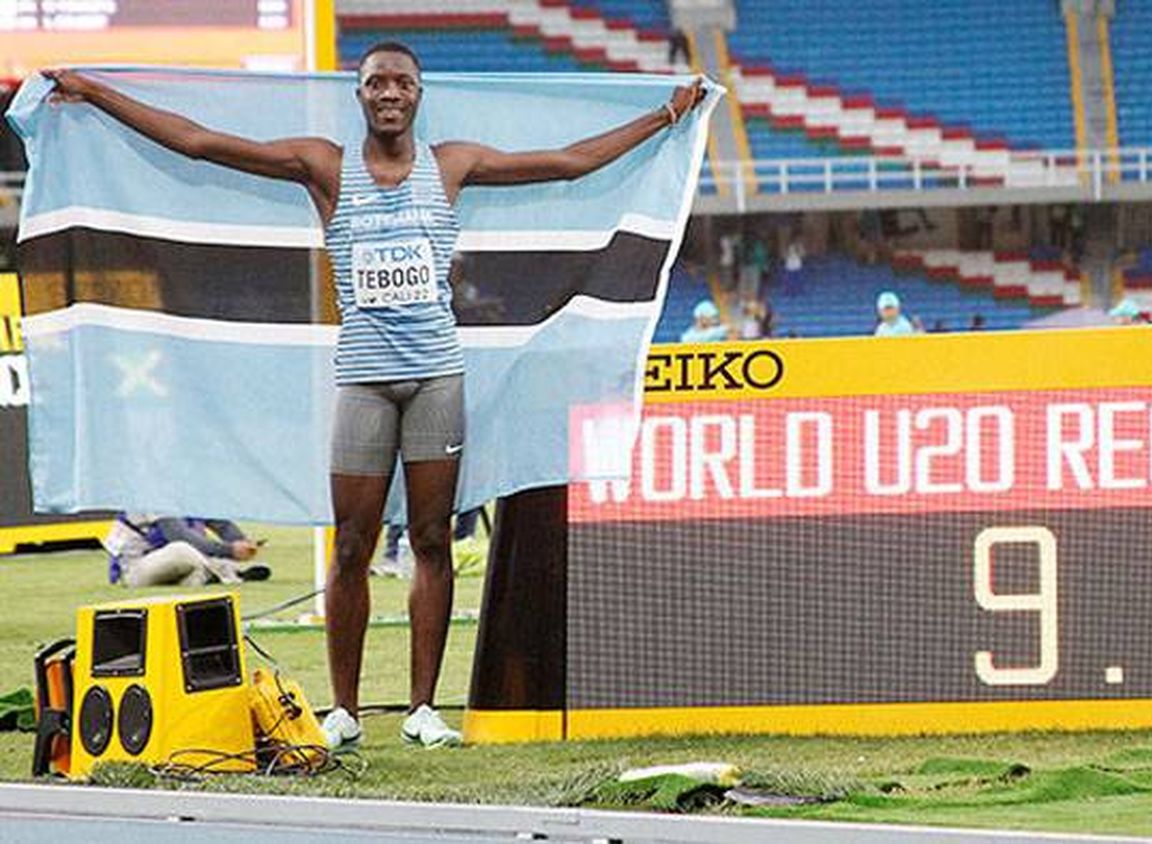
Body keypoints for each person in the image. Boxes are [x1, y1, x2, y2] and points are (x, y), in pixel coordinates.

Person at [42, 43, 706, 751]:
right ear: (359, 96)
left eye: (402, 82)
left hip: (436, 381)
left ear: (419, 96)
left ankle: (423, 709)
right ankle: (345, 711)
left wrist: (665, 115)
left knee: (430, 539)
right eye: (375, 82)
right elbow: (202, 144)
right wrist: (96, 94)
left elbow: (570, 162)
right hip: (364, 379)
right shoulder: (326, 167)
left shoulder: (452, 165)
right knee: (353, 544)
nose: (389, 92)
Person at [103, 515, 270, 587]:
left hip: (175, 566)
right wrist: (230, 550)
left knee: (194, 572)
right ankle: (228, 571)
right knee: (181, 550)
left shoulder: (188, 491)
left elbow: (220, 523)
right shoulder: (152, 493)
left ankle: (218, 574)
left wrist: (240, 540)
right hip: (135, 569)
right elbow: (179, 535)